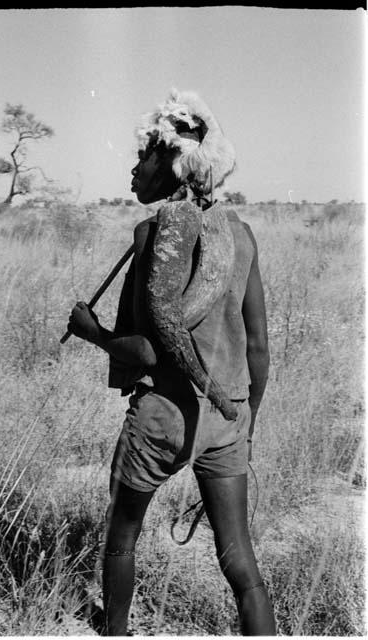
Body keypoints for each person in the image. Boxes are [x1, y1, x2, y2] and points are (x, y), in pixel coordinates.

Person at [67, 89, 276, 636]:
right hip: (228, 418)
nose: (134, 169)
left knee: (122, 536)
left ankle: (114, 630)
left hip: (163, 414)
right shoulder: (243, 235)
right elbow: (258, 348)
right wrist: (244, 416)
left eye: (143, 156)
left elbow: (148, 348)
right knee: (241, 564)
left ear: (169, 160)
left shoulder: (154, 232)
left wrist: (93, 334)